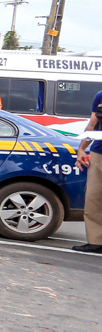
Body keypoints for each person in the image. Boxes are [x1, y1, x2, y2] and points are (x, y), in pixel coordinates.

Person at [76, 87, 102, 254]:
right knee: (94, 198)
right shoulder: (100, 95)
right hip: (98, 152)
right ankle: (96, 242)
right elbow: (93, 124)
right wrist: (81, 149)